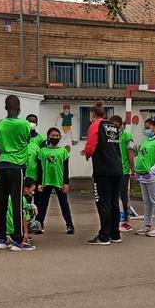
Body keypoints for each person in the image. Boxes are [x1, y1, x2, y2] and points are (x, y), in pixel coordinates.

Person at [0, 95, 34, 250]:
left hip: (3, 165)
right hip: (17, 166)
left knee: (2, 202)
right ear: (19, 108)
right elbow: (27, 140)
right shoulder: (25, 124)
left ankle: (2, 239)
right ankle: (18, 241)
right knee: (17, 203)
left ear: (5, 108)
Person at [82, 102, 122, 245]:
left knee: (102, 202)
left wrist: (87, 153)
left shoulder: (95, 125)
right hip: (117, 168)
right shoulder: (112, 126)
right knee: (113, 201)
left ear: (92, 114)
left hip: (103, 170)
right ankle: (115, 234)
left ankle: (104, 236)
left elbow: (91, 146)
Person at [34, 126, 74, 234]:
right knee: (42, 204)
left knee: (64, 204)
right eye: (53, 135)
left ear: (60, 137)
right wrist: (39, 183)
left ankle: (69, 225)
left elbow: (66, 168)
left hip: (59, 182)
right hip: (46, 182)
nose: (55, 137)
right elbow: (39, 169)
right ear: (48, 137)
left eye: (57, 136)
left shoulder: (63, 151)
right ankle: (39, 224)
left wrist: (66, 183)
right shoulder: (42, 151)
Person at [134, 116, 155, 237]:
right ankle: (147, 225)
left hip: (153, 176)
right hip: (143, 175)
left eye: (147, 127)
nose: (145, 130)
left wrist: (152, 171)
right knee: (147, 201)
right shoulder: (148, 140)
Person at [110, 114, 137, 232]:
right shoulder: (111, 135)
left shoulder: (127, 136)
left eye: (116, 125)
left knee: (124, 197)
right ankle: (116, 220)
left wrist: (132, 171)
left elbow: (130, 155)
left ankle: (127, 221)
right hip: (112, 170)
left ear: (121, 124)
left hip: (123, 171)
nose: (114, 127)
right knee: (114, 197)